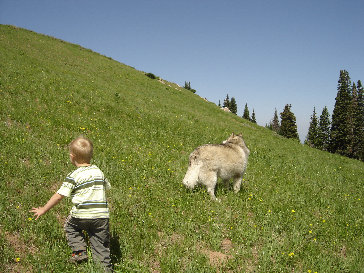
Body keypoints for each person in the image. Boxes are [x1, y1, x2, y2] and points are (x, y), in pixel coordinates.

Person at [30, 136, 112, 271]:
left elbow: (59, 196)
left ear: (72, 157)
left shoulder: (74, 176)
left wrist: (44, 209)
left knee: (71, 227)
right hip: (101, 217)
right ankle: (104, 269)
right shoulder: (99, 172)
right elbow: (106, 187)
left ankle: (79, 252)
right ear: (91, 156)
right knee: (100, 246)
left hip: (80, 216)